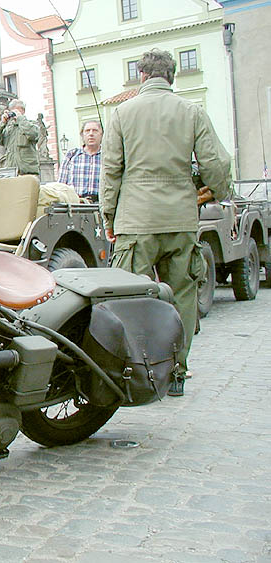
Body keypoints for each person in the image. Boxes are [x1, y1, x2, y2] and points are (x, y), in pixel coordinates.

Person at [100, 49, 231, 397]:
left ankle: (137, 373)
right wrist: (216, 191)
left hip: (136, 220)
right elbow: (216, 163)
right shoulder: (192, 112)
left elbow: (111, 170)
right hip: (180, 218)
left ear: (141, 76)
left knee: (132, 297)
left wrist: (108, 216)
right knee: (183, 296)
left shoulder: (122, 113)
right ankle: (177, 372)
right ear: (171, 77)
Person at [0, 99, 40, 176]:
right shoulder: (8, 128)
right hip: (11, 172)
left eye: (16, 111)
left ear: (23, 111)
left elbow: (33, 134)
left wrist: (20, 119)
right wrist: (3, 122)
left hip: (28, 172)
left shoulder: (31, 124)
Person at [58, 120, 104, 202]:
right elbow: (61, 186)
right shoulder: (71, 155)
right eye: (87, 131)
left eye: (95, 130)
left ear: (101, 134)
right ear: (82, 135)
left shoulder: (108, 156)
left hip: (100, 204)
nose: (91, 134)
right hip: (76, 205)